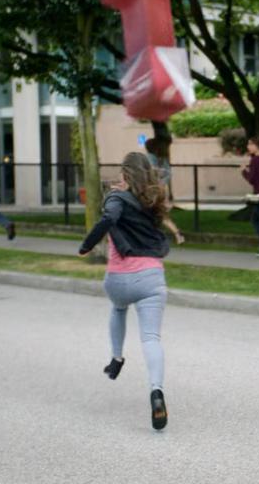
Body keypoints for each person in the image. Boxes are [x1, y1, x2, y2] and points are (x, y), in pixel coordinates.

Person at [79, 152, 171, 431]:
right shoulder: (152, 201)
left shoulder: (116, 200)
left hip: (119, 280)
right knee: (152, 338)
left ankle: (117, 357)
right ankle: (156, 392)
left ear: (126, 174)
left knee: (118, 308)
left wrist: (86, 246)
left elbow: (109, 219)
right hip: (152, 279)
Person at [144, 138, 185, 245]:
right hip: (161, 190)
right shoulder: (163, 160)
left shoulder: (148, 158)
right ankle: (177, 234)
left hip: (151, 191)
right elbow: (167, 175)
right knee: (161, 215)